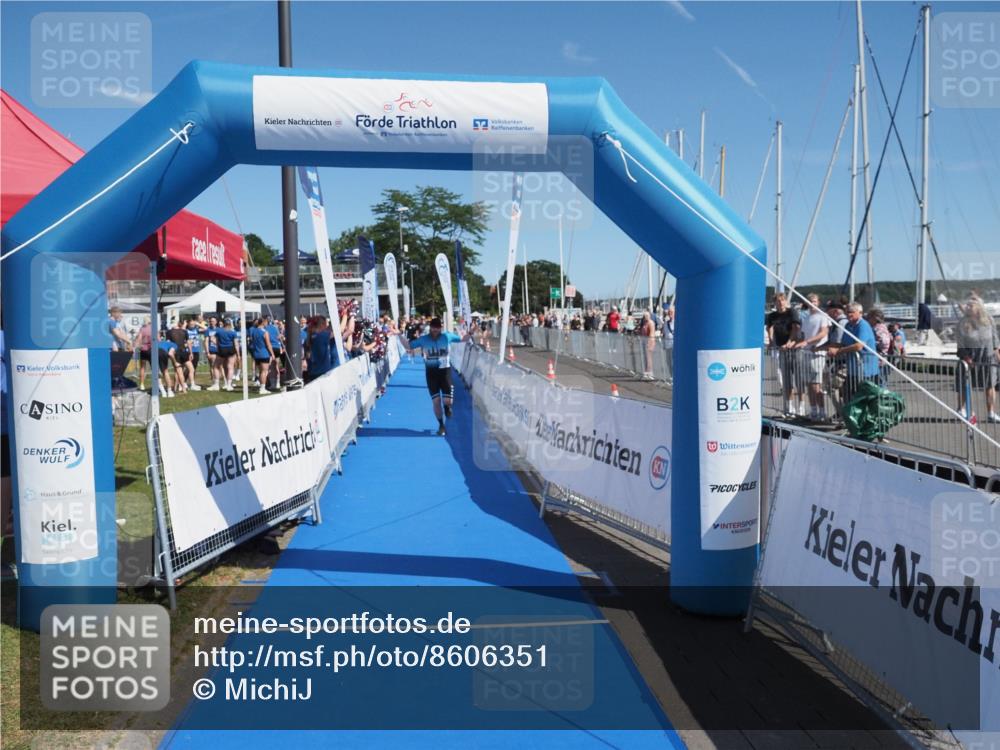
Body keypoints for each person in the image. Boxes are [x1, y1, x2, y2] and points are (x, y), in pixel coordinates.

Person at [403, 317, 470, 436]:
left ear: (440, 328)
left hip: (445, 372)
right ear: (430, 328)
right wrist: (399, 335)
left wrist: (470, 333)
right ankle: (441, 425)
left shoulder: (447, 336)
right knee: (436, 401)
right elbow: (408, 346)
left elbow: (463, 340)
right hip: (431, 373)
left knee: (448, 401)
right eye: (433, 328)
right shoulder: (424, 339)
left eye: (437, 328)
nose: (435, 330)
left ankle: (447, 407)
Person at [954, 298, 999, 422]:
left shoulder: (989, 319)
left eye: (971, 305)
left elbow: (995, 339)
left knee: (990, 385)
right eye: (967, 305)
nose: (968, 307)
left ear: (979, 306)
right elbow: (960, 343)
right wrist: (966, 357)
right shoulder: (963, 323)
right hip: (969, 356)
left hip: (987, 355)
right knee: (964, 384)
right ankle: (961, 409)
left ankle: (991, 413)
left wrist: (997, 355)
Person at [827, 302, 880, 403]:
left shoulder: (863, 325)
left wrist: (839, 351)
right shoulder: (848, 325)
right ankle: (845, 414)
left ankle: (859, 417)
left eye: (851, 312)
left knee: (865, 398)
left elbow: (858, 346)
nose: (848, 314)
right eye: (847, 312)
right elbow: (843, 343)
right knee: (848, 396)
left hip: (866, 370)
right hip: (852, 369)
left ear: (860, 313)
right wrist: (825, 348)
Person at [794, 294, 829, 421]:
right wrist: (796, 342)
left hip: (817, 353)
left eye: (814, 301)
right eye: (810, 301)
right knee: (809, 384)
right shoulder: (807, 317)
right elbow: (802, 335)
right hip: (806, 353)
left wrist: (807, 342)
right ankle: (813, 410)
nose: (812, 303)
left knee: (816, 384)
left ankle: (822, 412)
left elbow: (823, 333)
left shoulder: (822, 316)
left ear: (818, 302)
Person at [208, 318, 239, 391]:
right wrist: (238, 354)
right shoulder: (233, 332)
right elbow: (236, 344)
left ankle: (216, 384)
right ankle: (229, 385)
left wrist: (218, 344)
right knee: (230, 367)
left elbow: (212, 339)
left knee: (216, 366)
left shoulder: (219, 331)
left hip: (222, 349)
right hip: (231, 349)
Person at [248, 318, 276, 396]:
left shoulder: (253, 331)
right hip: (264, 353)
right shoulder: (265, 332)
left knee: (261, 371)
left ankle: (262, 386)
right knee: (264, 371)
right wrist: (272, 354)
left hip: (256, 353)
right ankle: (262, 388)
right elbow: (268, 344)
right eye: (267, 322)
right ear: (263, 323)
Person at [134, 317, 153, 389]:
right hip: (151, 349)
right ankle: (156, 383)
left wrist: (136, 346)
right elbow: (158, 339)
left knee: (142, 367)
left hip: (143, 350)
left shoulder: (142, 329)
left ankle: (142, 384)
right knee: (154, 367)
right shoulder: (152, 328)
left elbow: (139, 338)